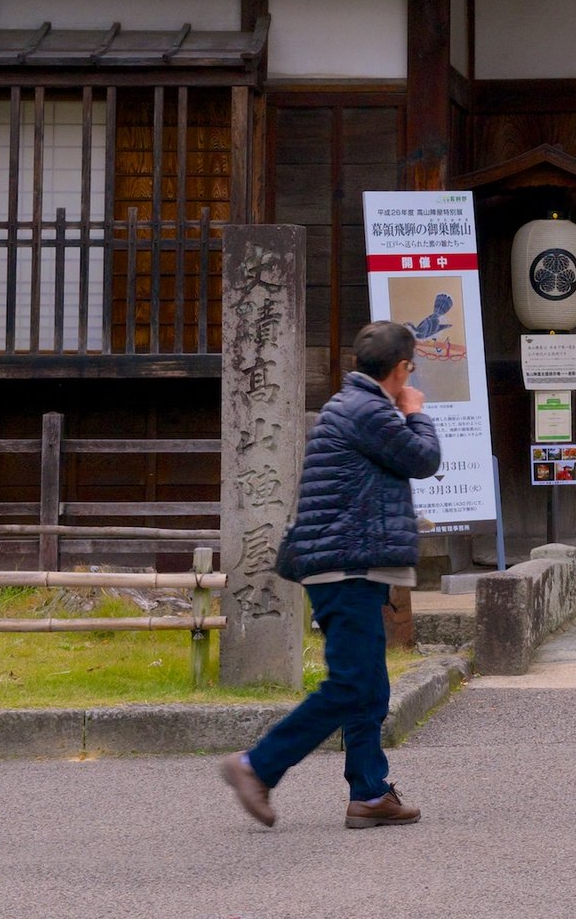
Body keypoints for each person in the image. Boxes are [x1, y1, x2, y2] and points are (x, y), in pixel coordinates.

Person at [220, 321, 440, 831]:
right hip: (346, 566)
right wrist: (417, 412)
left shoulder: (354, 406)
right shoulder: (369, 411)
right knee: (351, 684)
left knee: (370, 687)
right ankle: (257, 766)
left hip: (348, 563)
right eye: (411, 368)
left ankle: (369, 793)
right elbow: (424, 458)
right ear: (401, 368)